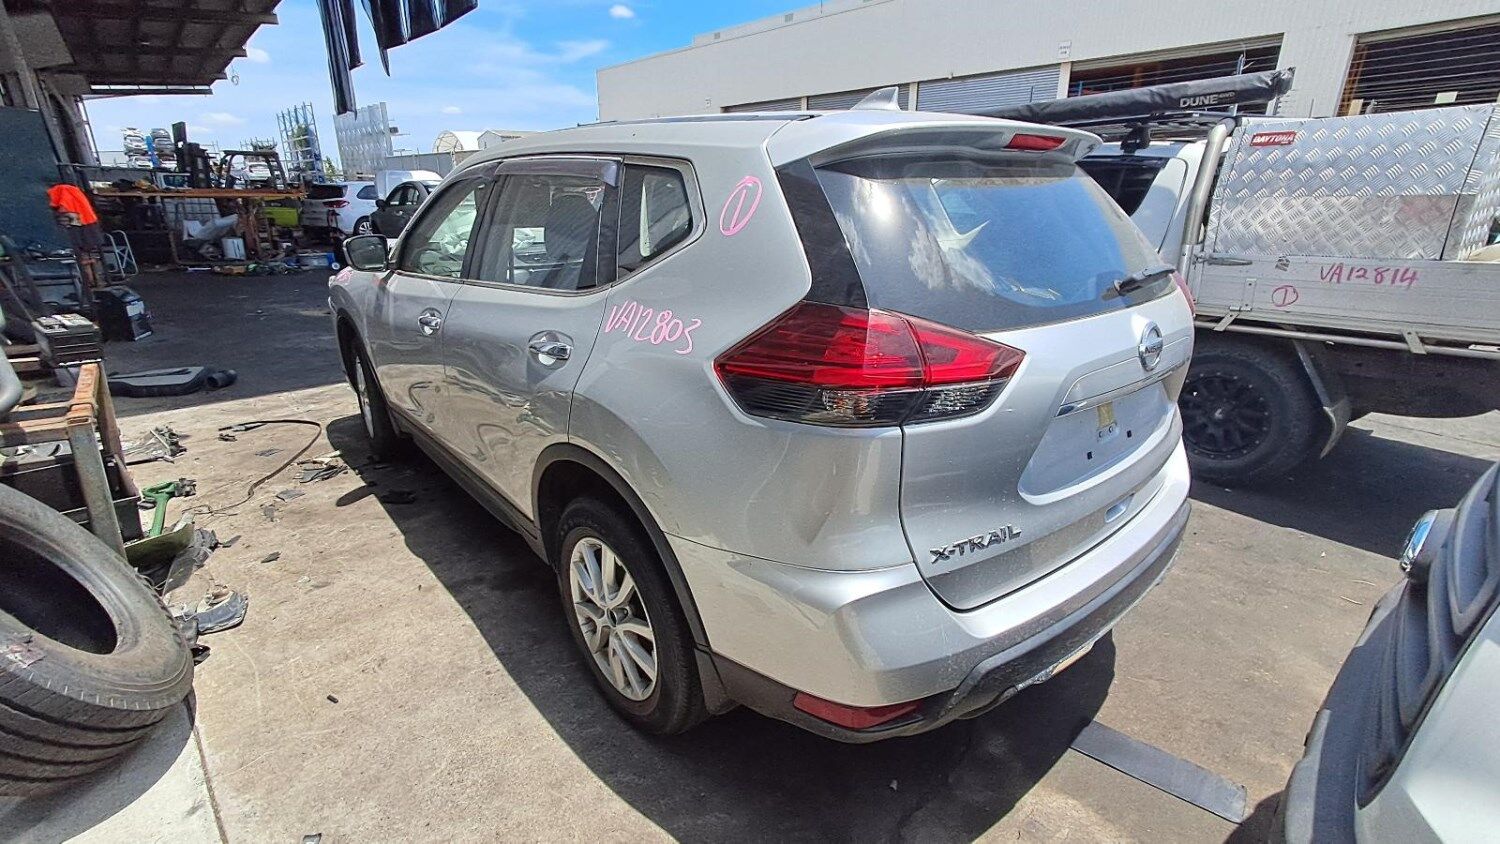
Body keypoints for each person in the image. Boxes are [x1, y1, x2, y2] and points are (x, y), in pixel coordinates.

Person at [47, 179, 104, 289]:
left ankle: (88, 281)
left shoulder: (61, 191)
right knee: (87, 254)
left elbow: (64, 209)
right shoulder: (73, 190)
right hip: (89, 223)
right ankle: (95, 281)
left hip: (78, 224)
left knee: (81, 255)